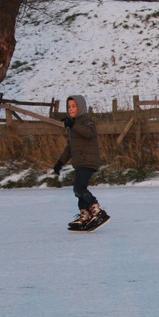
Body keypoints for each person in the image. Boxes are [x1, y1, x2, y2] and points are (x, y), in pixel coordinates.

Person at [53, 94, 109, 232]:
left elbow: (89, 133)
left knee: (79, 188)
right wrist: (60, 162)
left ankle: (97, 211)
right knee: (79, 189)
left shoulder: (87, 121)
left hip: (88, 160)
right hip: (80, 162)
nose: (71, 109)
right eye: (69, 107)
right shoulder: (74, 126)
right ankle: (85, 215)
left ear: (81, 107)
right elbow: (70, 147)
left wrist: (73, 125)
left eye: (74, 106)